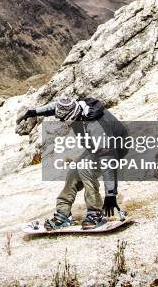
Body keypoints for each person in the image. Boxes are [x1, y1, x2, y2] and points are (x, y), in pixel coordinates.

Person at [17, 97, 128, 230]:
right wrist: (35, 111)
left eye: (64, 120)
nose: (62, 122)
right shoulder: (76, 107)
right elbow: (56, 107)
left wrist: (111, 194)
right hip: (96, 147)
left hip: (115, 148)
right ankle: (63, 214)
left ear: (71, 117)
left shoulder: (95, 126)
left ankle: (95, 214)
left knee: (85, 169)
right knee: (73, 174)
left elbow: (108, 161)